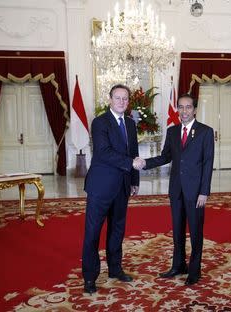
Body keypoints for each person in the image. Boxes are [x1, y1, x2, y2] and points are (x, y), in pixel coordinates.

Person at [134, 93, 214, 286]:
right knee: (177, 230)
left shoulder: (205, 132)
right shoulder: (172, 131)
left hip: (196, 192)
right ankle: (178, 265)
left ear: (194, 110)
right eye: (181, 107)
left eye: (188, 107)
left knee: (195, 232)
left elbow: (207, 163)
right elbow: (165, 157)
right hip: (176, 190)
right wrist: (145, 163)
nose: (184, 111)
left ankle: (194, 271)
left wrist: (204, 192)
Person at [82, 84, 143, 294]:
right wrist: (131, 164)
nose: (121, 102)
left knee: (117, 231)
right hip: (100, 186)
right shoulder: (100, 122)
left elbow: (133, 152)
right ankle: (90, 278)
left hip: (123, 186)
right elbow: (103, 152)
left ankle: (115, 269)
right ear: (110, 99)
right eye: (117, 98)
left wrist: (134, 180)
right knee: (93, 233)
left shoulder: (130, 123)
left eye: (125, 99)